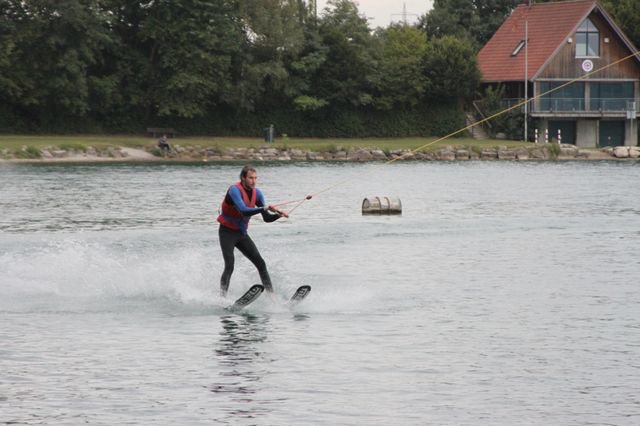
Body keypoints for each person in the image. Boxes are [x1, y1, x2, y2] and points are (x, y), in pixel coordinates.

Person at [217, 165, 288, 297]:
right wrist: (263, 208)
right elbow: (243, 210)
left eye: (255, 178)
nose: (253, 181)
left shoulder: (258, 193)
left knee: (261, 264)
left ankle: (272, 297)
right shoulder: (234, 190)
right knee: (230, 265)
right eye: (250, 178)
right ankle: (222, 298)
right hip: (227, 233)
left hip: (241, 234)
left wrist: (278, 214)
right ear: (243, 178)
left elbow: (266, 218)